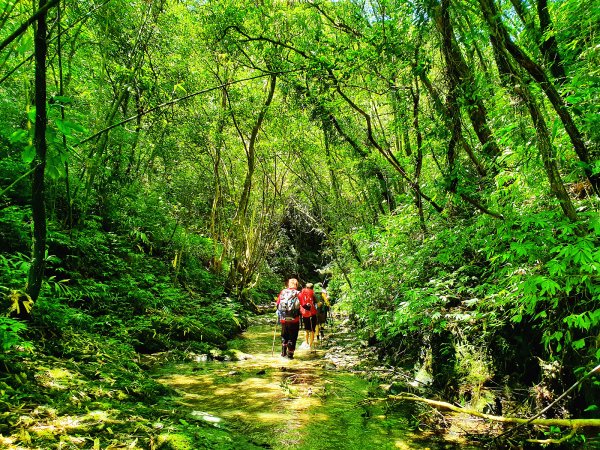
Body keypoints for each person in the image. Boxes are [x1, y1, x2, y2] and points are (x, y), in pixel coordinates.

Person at [276, 278, 301, 359]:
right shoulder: (298, 293)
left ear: (288, 284)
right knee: (293, 337)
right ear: (296, 285)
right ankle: (290, 355)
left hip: (283, 319)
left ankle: (283, 353)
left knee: (284, 336)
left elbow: (277, 304)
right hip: (294, 319)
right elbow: (303, 305)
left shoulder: (283, 292)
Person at [298, 282, 317, 351]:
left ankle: (306, 343)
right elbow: (318, 303)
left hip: (304, 313)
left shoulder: (301, 293)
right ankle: (310, 345)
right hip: (312, 314)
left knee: (306, 329)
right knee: (312, 330)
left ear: (306, 287)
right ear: (312, 288)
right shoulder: (313, 293)